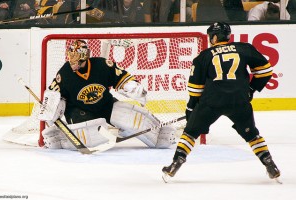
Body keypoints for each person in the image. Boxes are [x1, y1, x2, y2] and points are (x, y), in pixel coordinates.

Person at [162, 22, 280, 182]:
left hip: (212, 102)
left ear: (214, 37)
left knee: (190, 133)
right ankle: (270, 164)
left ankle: (176, 163)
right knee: (252, 134)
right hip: (239, 101)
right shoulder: (244, 48)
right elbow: (266, 71)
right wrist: (251, 89)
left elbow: (195, 89)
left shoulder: (204, 56)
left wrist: (191, 110)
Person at [38, 39, 176, 151]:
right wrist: (51, 109)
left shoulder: (102, 65)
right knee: (92, 134)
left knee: (129, 116)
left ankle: (158, 136)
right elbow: (54, 94)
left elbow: (121, 77)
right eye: (71, 58)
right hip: (79, 111)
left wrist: (132, 87)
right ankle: (60, 139)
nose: (72, 63)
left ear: (84, 58)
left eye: (76, 60)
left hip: (105, 105)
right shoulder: (64, 73)